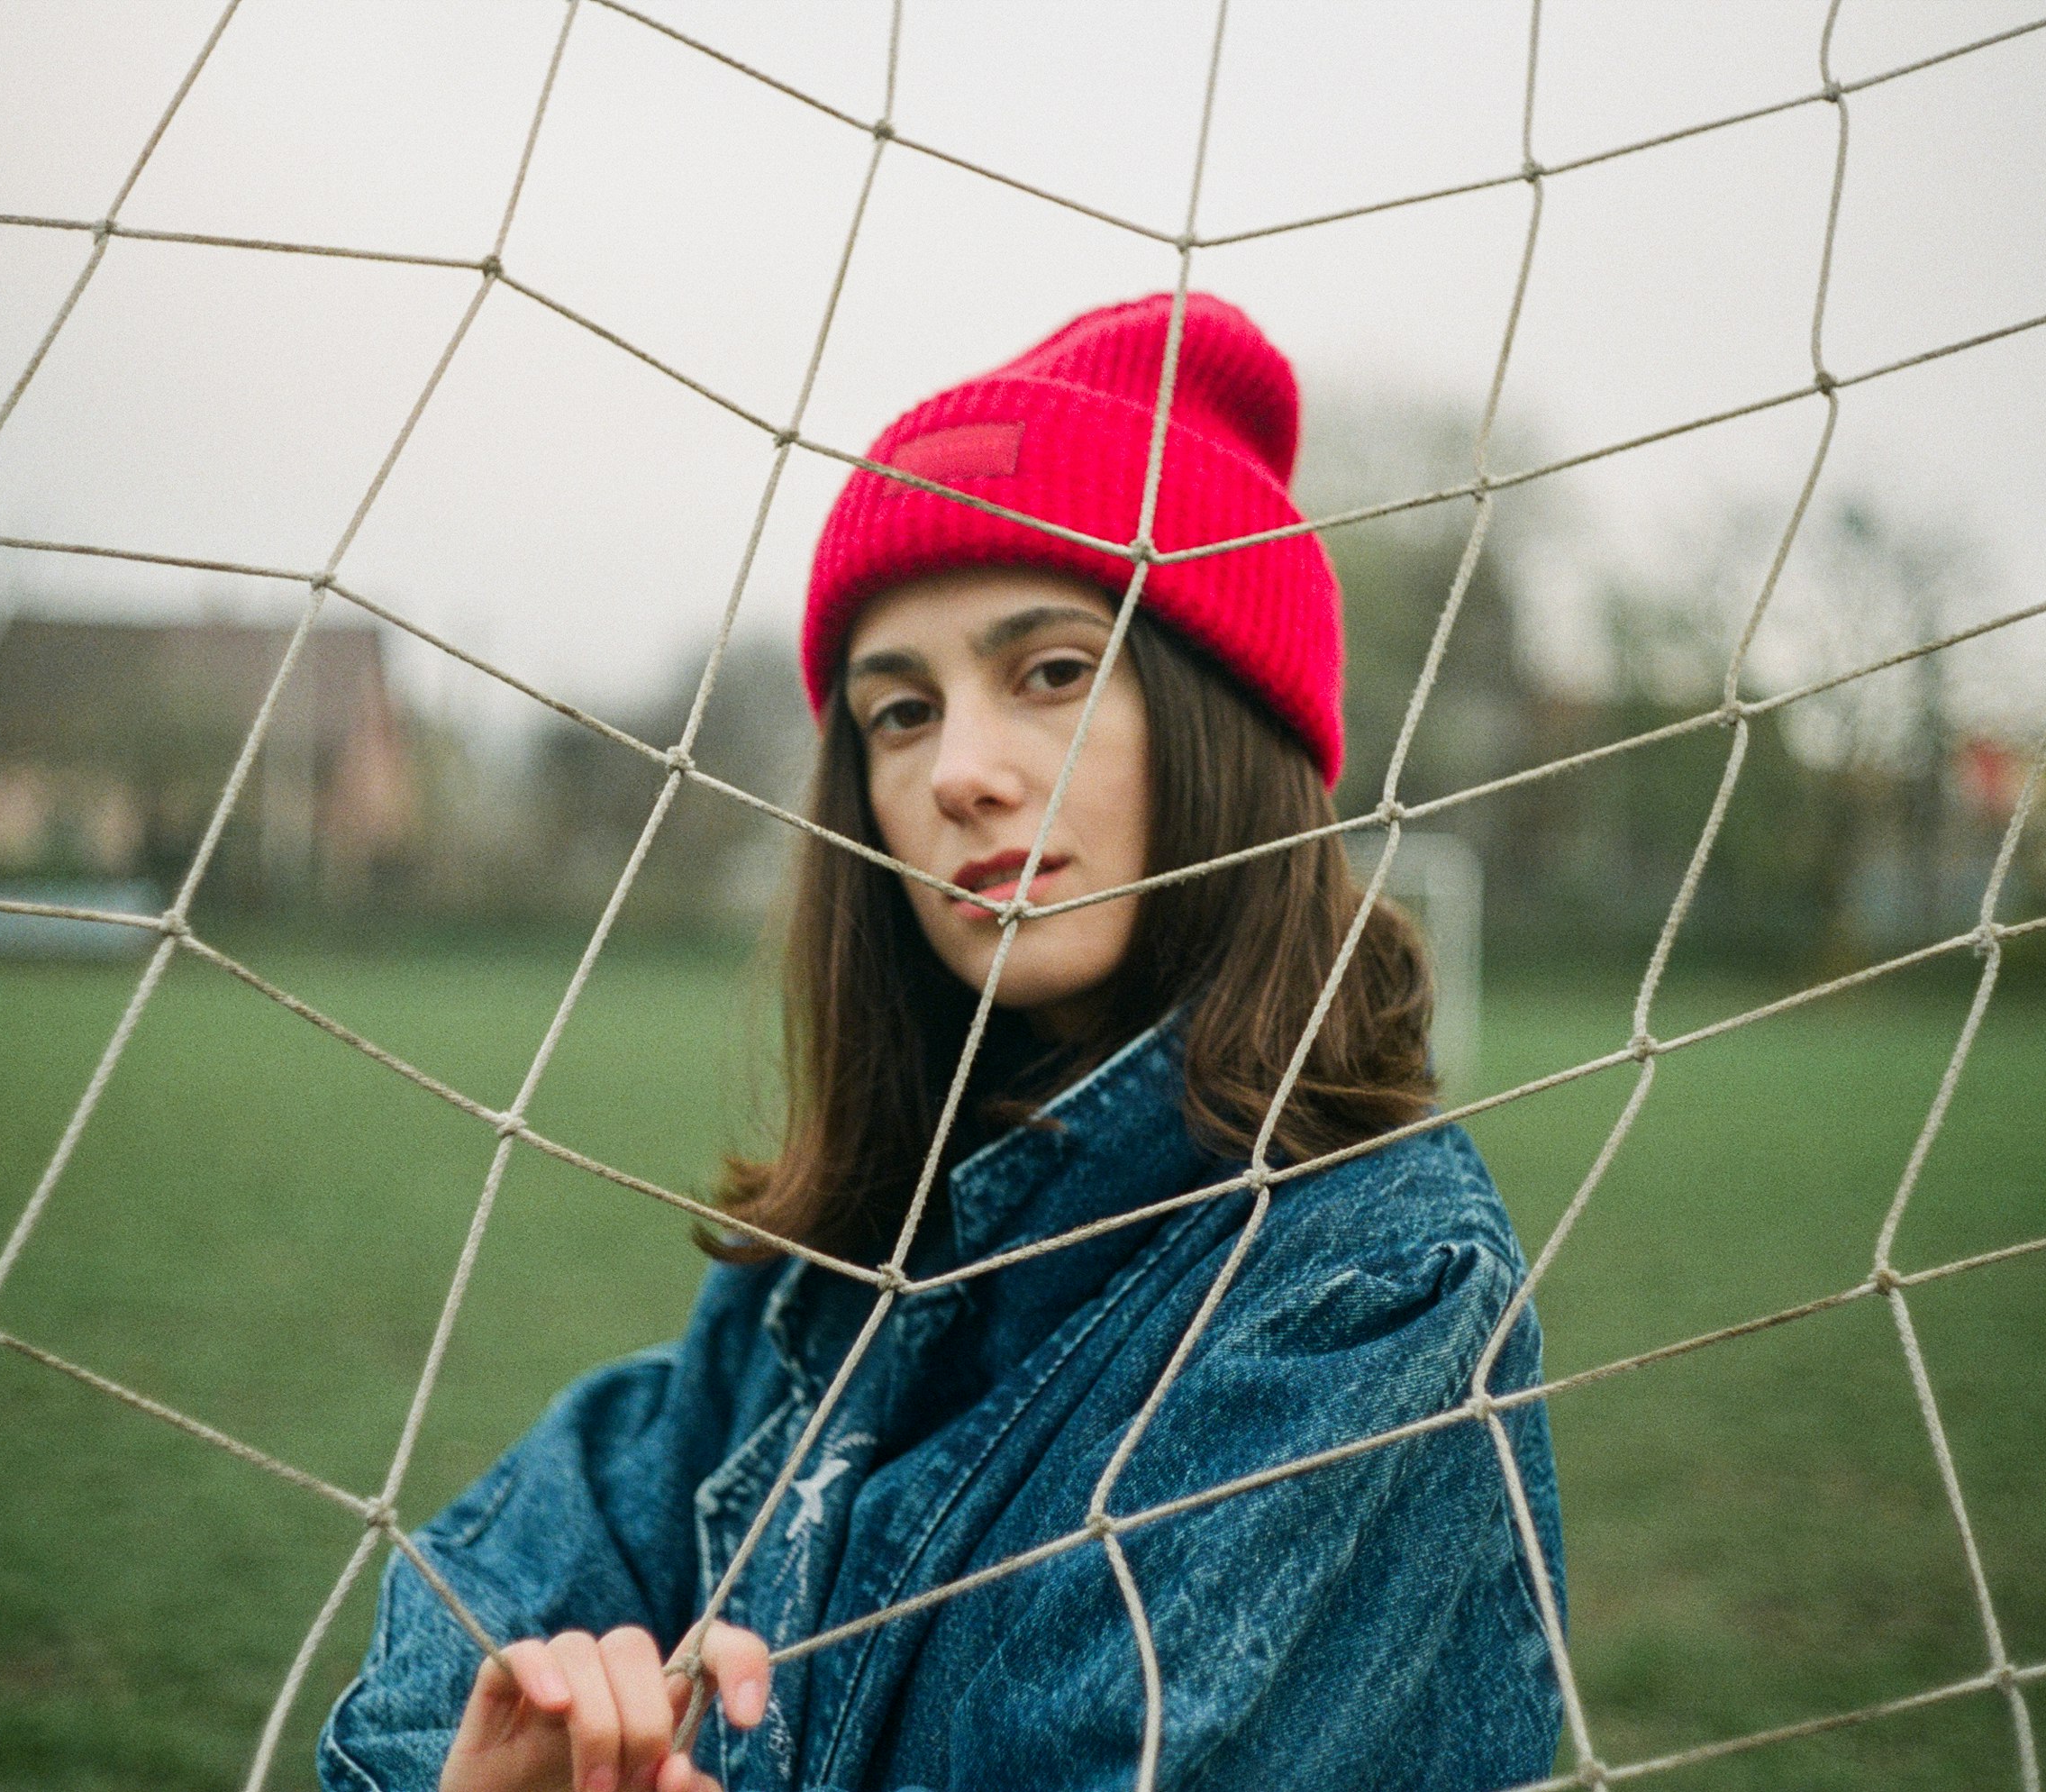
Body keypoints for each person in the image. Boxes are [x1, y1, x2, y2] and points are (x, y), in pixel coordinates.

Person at [318, 293, 1565, 1792]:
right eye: (898, 712)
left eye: (1050, 671)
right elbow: (455, 1650)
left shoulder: (1374, 1291)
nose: (959, 772)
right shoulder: (831, 1266)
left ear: (1226, 717)